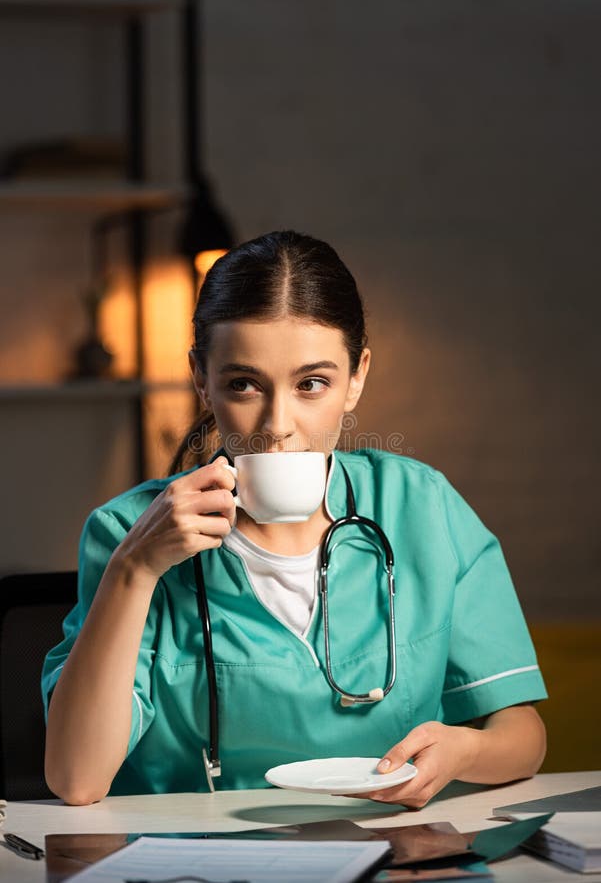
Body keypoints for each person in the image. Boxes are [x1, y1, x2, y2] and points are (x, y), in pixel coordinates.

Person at [43, 230, 547, 807]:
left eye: (312, 383)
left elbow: (523, 739)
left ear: (355, 378)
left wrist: (463, 753)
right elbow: (76, 780)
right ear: (201, 380)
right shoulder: (126, 532)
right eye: (243, 384)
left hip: (394, 855)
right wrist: (135, 569)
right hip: (200, 865)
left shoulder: (424, 507)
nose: (277, 423)